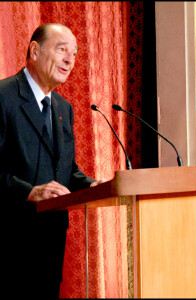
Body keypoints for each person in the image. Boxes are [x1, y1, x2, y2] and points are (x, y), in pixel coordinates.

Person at [0, 23, 102, 298]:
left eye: (75, 53)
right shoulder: (3, 97)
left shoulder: (62, 107)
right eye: (62, 50)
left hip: (50, 243)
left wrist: (96, 186)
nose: (70, 60)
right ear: (34, 51)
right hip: (9, 242)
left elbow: (67, 171)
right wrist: (29, 191)